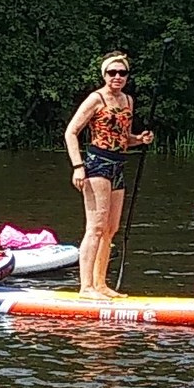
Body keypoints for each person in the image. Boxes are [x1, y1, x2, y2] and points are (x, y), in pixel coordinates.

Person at [63, 51, 156, 299]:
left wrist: (140, 139)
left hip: (118, 165)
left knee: (111, 228)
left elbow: (123, 138)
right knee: (95, 227)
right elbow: (71, 132)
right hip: (96, 165)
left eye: (122, 73)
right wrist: (77, 166)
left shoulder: (127, 100)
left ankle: (101, 284)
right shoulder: (96, 99)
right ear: (104, 75)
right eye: (111, 72)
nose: (117, 77)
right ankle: (86, 287)